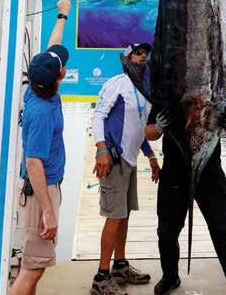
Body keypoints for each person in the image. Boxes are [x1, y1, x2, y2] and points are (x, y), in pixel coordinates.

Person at [145, 104, 226, 295]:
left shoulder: (216, 99)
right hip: (174, 175)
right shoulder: (168, 97)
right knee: (167, 231)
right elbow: (149, 133)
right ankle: (170, 277)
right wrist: (159, 127)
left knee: (223, 230)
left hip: (209, 175)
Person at [10, 0, 71, 295]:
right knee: (32, 271)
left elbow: (51, 47)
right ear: (62, 76)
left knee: (33, 265)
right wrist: (48, 211)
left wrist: (62, 15)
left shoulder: (37, 88)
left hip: (42, 191)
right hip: (40, 194)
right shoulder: (43, 112)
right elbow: (33, 162)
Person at [90, 43, 160, 295]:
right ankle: (101, 278)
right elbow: (98, 116)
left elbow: (139, 129)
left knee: (124, 215)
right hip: (114, 160)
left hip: (131, 161)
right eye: (137, 53)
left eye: (145, 54)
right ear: (127, 58)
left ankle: (120, 267)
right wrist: (101, 150)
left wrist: (150, 156)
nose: (143, 57)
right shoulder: (117, 83)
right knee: (114, 217)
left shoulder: (145, 90)